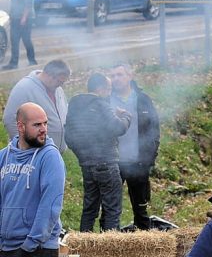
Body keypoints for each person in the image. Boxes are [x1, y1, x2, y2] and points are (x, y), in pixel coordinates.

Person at [65, 73, 132, 232]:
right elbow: (118, 128)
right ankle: (109, 250)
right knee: (112, 210)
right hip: (107, 164)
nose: (110, 92)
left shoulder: (74, 105)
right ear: (101, 89)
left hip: (87, 165)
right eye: (109, 88)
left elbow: (69, 136)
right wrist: (126, 116)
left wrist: (82, 156)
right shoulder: (101, 104)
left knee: (89, 209)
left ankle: (81, 246)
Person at [0, 102, 65, 256]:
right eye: (37, 125)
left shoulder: (50, 156)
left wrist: (30, 245)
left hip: (39, 248)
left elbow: (51, 204)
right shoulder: (3, 156)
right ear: (21, 127)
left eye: (45, 123)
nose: (44, 129)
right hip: (6, 246)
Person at [109, 62, 160, 230]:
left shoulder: (143, 99)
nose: (116, 78)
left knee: (141, 209)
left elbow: (154, 128)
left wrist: (150, 156)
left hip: (138, 162)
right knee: (110, 209)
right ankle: (109, 242)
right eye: (113, 75)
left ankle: (146, 245)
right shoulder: (106, 100)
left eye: (120, 74)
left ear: (129, 76)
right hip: (114, 162)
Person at [3, 60, 70, 152]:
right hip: (33, 152)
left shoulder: (57, 89)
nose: (61, 85)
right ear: (49, 76)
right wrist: (24, 147)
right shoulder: (24, 88)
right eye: (60, 81)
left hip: (53, 152)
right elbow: (10, 118)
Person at [2, 0, 37, 70]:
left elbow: (28, 5)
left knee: (26, 40)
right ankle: (13, 63)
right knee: (14, 41)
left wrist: (24, 18)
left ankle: (32, 60)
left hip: (24, 19)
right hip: (15, 19)